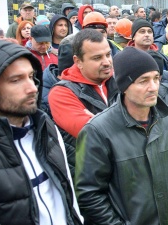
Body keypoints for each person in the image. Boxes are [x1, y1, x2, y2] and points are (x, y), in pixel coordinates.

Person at [0, 40, 102, 225]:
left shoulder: (44, 126)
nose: (32, 88)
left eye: (31, 77)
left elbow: (70, 203)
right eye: (15, 80)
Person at [75, 47, 168, 225]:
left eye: (156, 78)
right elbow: (89, 193)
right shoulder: (98, 130)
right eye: (143, 81)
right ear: (124, 85)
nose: (153, 87)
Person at [48, 30, 119, 173]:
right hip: (89, 178)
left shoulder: (120, 80)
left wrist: (98, 120)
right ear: (78, 61)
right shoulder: (61, 93)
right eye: (97, 58)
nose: (106, 62)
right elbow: (95, 135)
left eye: (108, 54)